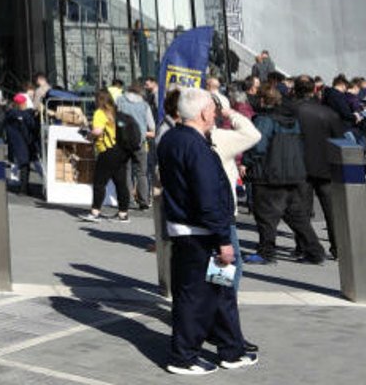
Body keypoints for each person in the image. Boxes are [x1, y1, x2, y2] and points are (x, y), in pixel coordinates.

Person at [158, 86, 256, 374]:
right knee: (195, 296)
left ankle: (231, 349)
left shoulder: (172, 138)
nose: (215, 115)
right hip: (201, 234)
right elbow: (207, 195)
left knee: (219, 292)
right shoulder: (195, 145)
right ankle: (184, 356)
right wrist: (223, 239)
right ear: (203, 113)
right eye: (213, 110)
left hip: (193, 231)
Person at [242, 83, 324, 264]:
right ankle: (315, 251)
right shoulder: (292, 120)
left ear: (263, 100)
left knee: (265, 216)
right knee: (297, 217)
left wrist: (246, 162)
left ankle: (266, 252)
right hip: (292, 173)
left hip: (268, 174)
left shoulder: (264, 119)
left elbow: (258, 146)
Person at [292, 76, 347, 259]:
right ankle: (338, 247)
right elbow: (340, 141)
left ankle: (304, 246)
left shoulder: (292, 111)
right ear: (314, 90)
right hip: (326, 167)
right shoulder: (328, 113)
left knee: (302, 210)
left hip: (300, 166)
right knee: (331, 210)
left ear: (296, 90)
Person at [82, 87, 131, 222]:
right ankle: (123, 213)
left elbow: (97, 131)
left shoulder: (100, 112)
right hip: (121, 150)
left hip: (107, 150)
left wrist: (89, 135)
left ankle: (95, 212)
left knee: (99, 182)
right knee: (120, 183)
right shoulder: (115, 112)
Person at [117, 80, 155, 210]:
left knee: (126, 171)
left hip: (123, 141)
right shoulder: (144, 105)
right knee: (142, 172)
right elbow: (152, 126)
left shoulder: (120, 101)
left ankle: (128, 200)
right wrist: (143, 133)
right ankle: (144, 201)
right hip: (140, 142)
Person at [3, 92, 40, 195]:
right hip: (22, 143)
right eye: (23, 103)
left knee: (24, 165)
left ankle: (24, 187)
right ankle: (23, 189)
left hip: (19, 144)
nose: (25, 104)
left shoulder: (11, 114)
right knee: (24, 165)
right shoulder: (19, 115)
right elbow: (30, 124)